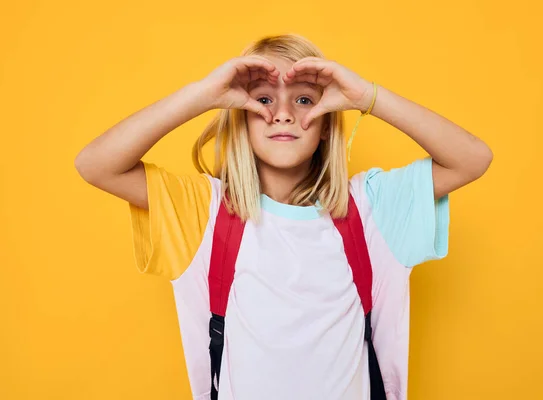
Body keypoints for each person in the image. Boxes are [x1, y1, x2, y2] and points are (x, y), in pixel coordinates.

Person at [75, 33, 493, 400]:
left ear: (327, 125)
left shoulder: (370, 208)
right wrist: (203, 94)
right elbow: (96, 164)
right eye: (263, 100)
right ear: (239, 117)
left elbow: (472, 159)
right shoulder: (204, 211)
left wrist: (367, 97)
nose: (283, 114)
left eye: (305, 100)